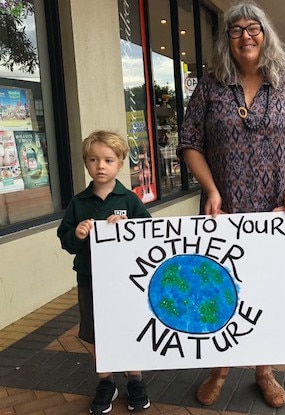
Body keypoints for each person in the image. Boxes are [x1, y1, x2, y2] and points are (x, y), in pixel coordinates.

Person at [176, 1, 285, 409]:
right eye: (235, 29)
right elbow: (190, 143)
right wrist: (211, 190)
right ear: (226, 40)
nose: (245, 36)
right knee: (219, 285)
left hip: (279, 207)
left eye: (253, 28)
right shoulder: (209, 87)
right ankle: (220, 367)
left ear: (266, 34)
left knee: (272, 290)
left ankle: (264, 369)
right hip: (225, 207)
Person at [57, 130, 151, 414]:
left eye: (108, 160)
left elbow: (148, 235)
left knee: (130, 327)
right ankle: (106, 381)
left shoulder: (130, 200)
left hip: (128, 282)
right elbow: (66, 241)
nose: (101, 166)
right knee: (97, 332)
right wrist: (78, 233)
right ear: (86, 163)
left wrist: (130, 231)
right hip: (90, 280)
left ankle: (135, 379)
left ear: (120, 164)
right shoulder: (79, 202)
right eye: (94, 159)